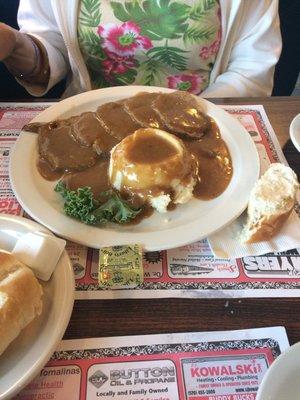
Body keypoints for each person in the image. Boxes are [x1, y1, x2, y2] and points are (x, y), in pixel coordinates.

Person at [0, 0, 281, 98]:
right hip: (89, 120)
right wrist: (14, 47)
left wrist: (188, 117)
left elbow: (250, 71)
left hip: (204, 118)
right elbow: (55, 50)